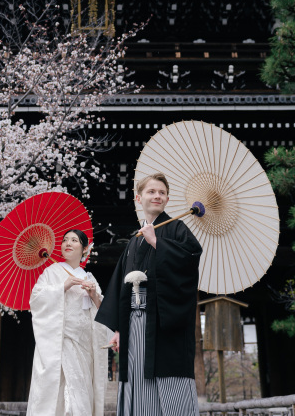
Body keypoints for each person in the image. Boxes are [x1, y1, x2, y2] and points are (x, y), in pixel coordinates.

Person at [95, 173, 203, 416]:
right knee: (137, 380)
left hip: (165, 323)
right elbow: (120, 284)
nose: (157, 196)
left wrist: (158, 243)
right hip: (134, 323)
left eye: (162, 192)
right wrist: (119, 328)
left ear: (167, 199)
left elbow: (190, 260)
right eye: (151, 191)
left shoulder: (176, 227)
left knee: (169, 383)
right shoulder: (135, 239)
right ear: (138, 197)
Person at [26, 229, 112, 416]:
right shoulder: (51, 272)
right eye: (65, 240)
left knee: (81, 389)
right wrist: (63, 286)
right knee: (61, 393)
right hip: (60, 342)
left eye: (74, 240)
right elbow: (36, 300)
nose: (68, 243)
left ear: (84, 249)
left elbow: (103, 310)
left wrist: (94, 295)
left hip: (84, 346)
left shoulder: (89, 278)